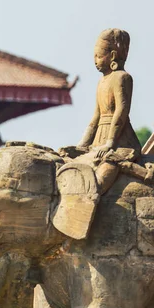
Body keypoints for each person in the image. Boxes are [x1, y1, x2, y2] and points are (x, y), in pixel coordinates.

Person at [75, 28, 140, 193]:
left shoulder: (122, 78)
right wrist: (82, 143)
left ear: (112, 56)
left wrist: (110, 143)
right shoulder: (101, 82)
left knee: (98, 182)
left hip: (120, 141)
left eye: (98, 56)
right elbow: (96, 116)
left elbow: (121, 110)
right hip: (98, 139)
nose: (95, 61)